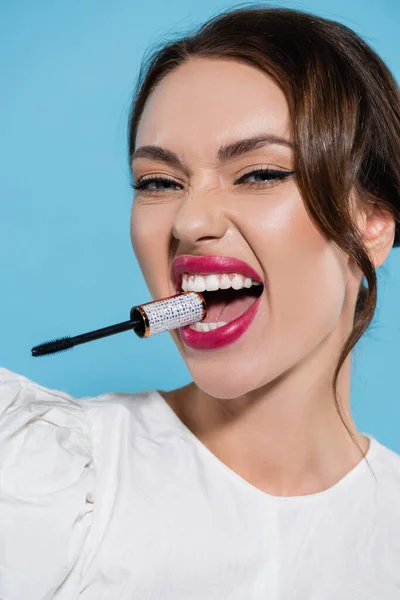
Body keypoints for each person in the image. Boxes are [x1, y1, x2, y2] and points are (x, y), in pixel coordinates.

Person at [1, 6, 400, 599]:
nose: (190, 222)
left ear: (370, 225)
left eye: (259, 173)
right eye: (158, 183)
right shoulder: (40, 475)